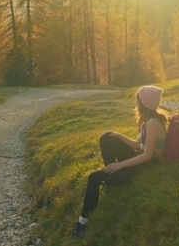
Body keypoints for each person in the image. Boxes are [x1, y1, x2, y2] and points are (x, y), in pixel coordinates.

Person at [71, 85, 169, 238]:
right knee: (106, 138)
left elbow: (147, 156)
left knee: (93, 178)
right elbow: (138, 146)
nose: (137, 103)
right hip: (140, 158)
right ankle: (112, 177)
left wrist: (120, 164)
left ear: (144, 103)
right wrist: (118, 136)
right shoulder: (146, 120)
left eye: (139, 100)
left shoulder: (154, 123)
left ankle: (82, 223)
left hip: (148, 166)